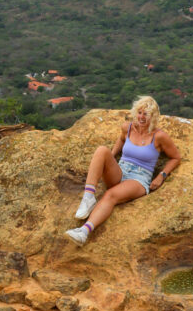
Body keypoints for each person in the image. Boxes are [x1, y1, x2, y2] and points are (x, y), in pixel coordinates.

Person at [64, 95, 181, 245]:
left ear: (153, 116)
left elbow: (176, 157)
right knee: (101, 150)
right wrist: (110, 158)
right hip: (121, 170)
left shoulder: (160, 137)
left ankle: (84, 232)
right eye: (139, 112)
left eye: (146, 114)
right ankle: (88, 198)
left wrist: (161, 175)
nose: (141, 117)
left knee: (110, 195)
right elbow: (121, 139)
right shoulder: (128, 127)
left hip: (139, 178)